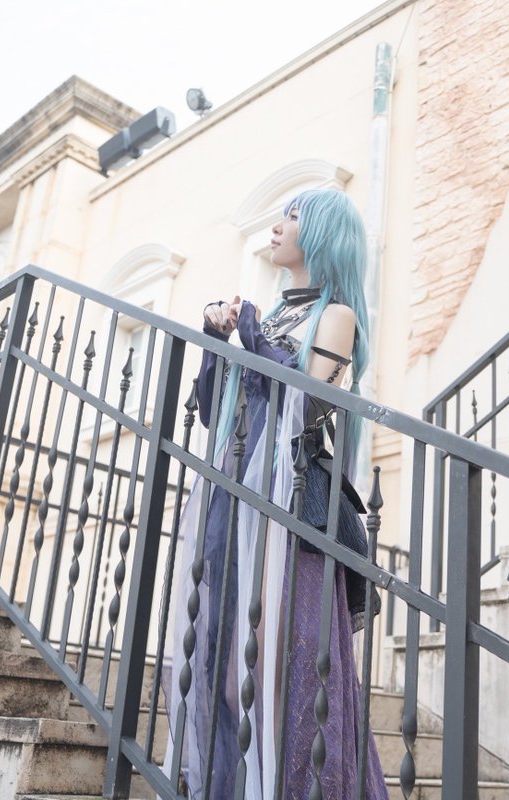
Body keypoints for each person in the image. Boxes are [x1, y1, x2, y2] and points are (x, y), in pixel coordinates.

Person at [161, 188, 389, 799]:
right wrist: (218, 343)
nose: (279, 225)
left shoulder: (336, 315)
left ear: (322, 233)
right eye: (283, 213)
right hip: (238, 492)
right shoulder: (269, 318)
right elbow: (218, 414)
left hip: (291, 501)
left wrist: (253, 338)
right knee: (225, 653)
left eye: (293, 216)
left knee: (290, 661)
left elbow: (306, 402)